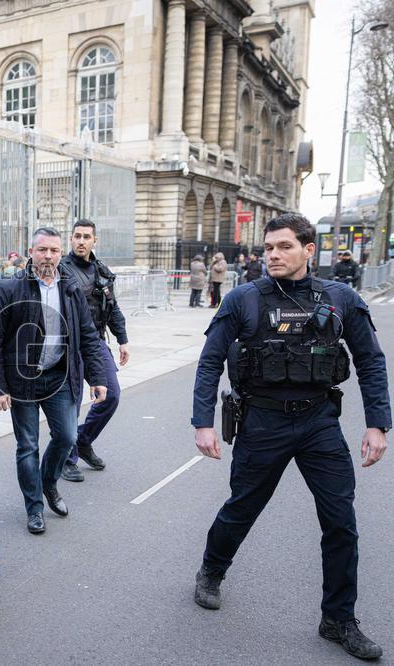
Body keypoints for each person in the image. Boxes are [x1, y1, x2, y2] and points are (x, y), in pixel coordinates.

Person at [191, 213, 390, 661]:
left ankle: (338, 619)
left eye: (284, 246)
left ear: (308, 251)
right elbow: (209, 361)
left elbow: (371, 362)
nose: (274, 255)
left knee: (341, 521)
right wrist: (202, 422)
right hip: (262, 423)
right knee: (242, 508)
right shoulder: (243, 299)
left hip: (319, 422)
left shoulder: (340, 298)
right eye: (268, 248)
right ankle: (212, 570)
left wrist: (378, 423)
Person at [0, 227, 107, 535]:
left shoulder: (71, 288)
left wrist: (97, 376)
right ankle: (34, 507)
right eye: (42, 250)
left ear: (60, 252)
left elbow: (88, 335)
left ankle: (49, 483)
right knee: (28, 446)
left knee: (66, 437)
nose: (48, 256)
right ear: (31, 252)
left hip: (59, 377)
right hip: (21, 380)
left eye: (53, 250)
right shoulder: (11, 287)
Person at [58, 220, 129, 482]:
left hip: (95, 342)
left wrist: (122, 339)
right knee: (71, 404)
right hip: (68, 345)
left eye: (86, 236)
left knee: (111, 396)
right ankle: (67, 458)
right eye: (77, 236)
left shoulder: (101, 271)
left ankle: (83, 440)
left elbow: (113, 307)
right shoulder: (61, 269)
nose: (81, 241)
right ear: (70, 239)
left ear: (94, 241)